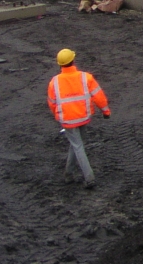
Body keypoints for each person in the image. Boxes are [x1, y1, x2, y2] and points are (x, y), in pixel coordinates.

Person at [47, 49, 110, 188]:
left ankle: (85, 177)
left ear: (60, 64)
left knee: (77, 145)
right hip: (84, 116)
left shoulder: (54, 82)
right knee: (77, 144)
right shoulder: (85, 77)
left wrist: (58, 115)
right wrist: (105, 111)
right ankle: (73, 175)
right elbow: (98, 96)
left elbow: (52, 102)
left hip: (68, 120)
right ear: (73, 61)